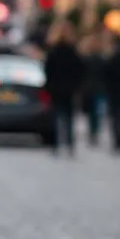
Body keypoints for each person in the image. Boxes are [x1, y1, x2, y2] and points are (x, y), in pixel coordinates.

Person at [44, 22, 85, 154]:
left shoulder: (53, 52)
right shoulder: (73, 52)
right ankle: (69, 143)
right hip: (70, 89)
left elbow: (48, 71)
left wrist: (48, 86)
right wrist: (77, 86)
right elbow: (80, 71)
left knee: (56, 116)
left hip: (56, 89)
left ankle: (56, 143)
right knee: (69, 116)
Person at [79, 33, 107, 147]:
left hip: (90, 89)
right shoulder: (102, 59)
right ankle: (94, 132)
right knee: (96, 113)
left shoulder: (85, 60)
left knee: (92, 114)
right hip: (98, 89)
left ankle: (93, 132)